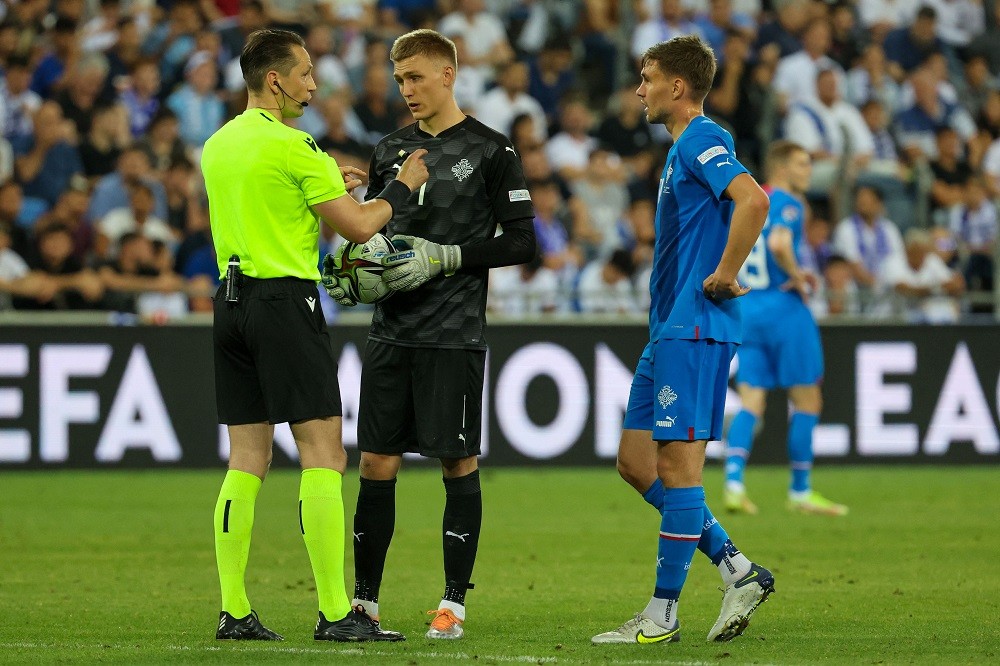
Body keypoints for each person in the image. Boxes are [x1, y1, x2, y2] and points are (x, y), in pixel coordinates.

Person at [200, 28, 428, 643]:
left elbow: (274, 209)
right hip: (283, 302)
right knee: (324, 454)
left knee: (246, 459)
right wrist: (400, 187)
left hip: (229, 302)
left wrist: (328, 187)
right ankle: (335, 613)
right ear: (274, 80)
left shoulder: (218, 145)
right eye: (303, 72)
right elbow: (357, 229)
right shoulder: (297, 145)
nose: (313, 83)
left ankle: (234, 611)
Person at [322, 28, 536, 641]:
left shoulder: (493, 150)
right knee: (376, 463)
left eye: (416, 77)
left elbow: (523, 241)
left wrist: (448, 257)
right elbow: (374, 238)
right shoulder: (390, 150)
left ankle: (452, 604)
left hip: (453, 333)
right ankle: (364, 603)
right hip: (392, 332)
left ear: (449, 72)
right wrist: (351, 265)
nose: (407, 90)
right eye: (399, 80)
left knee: (457, 461)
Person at [591, 35, 773, 646]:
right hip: (670, 327)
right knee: (637, 463)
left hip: (694, 326)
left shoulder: (701, 137)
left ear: (677, 86)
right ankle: (737, 570)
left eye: (646, 77)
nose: (638, 88)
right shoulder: (679, 151)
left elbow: (754, 199)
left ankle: (661, 614)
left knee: (680, 467)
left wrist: (724, 273)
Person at [724, 141, 849, 517]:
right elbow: (779, 243)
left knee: (751, 403)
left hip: (748, 308)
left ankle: (733, 484)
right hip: (784, 310)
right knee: (807, 401)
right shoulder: (789, 203)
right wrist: (798, 276)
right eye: (801, 163)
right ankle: (800, 490)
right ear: (781, 168)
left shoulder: (748, 201)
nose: (808, 170)